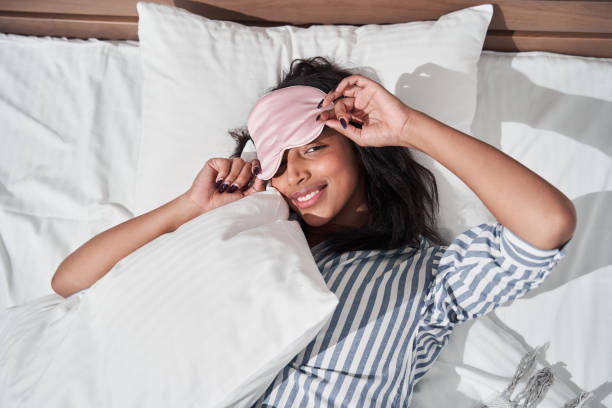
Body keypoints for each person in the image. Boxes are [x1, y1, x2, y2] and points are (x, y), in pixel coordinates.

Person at [51, 57, 576, 406]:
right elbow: (73, 283)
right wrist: (187, 208)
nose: (295, 174)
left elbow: (547, 224)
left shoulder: (428, 275)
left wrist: (409, 126)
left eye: (314, 148)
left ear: (361, 146)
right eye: (278, 161)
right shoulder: (243, 239)